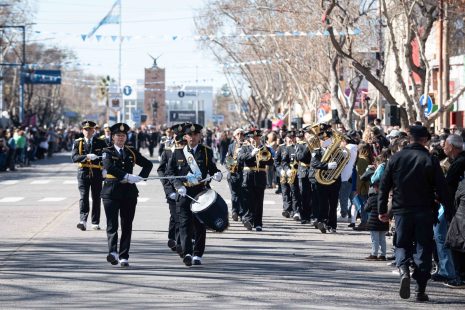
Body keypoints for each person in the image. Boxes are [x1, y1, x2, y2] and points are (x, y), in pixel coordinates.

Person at [378, 125, 452, 302]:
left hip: (402, 209)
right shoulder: (430, 159)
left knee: (402, 243)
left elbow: (384, 186)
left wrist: (382, 210)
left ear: (410, 138)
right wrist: (449, 209)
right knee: (423, 248)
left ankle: (403, 270)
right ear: (425, 140)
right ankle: (420, 290)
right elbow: (442, 188)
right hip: (424, 210)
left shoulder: (395, 158)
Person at [165, 123, 222, 267]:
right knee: (184, 224)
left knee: (200, 224)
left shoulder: (206, 152)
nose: (193, 138)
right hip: (184, 193)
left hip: (200, 192)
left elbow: (213, 169)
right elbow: (170, 173)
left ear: (200, 136)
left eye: (196, 135)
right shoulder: (177, 152)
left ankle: (197, 254)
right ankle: (187, 253)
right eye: (190, 135)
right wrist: (178, 186)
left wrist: (217, 174)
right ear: (185, 136)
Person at [101, 123, 153, 267]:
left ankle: (124, 255)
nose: (121, 138)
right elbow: (109, 166)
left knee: (127, 225)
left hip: (129, 193)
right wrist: (127, 175)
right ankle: (112, 252)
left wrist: (141, 177)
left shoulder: (131, 151)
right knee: (112, 224)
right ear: (113, 137)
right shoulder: (107, 151)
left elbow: (148, 164)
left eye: (123, 136)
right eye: (118, 135)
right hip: (111, 192)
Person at [71, 121, 107, 231]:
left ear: (93, 130)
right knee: (83, 197)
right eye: (85, 129)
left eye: (89, 129)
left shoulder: (101, 142)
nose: (87, 131)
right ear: (82, 131)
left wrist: (105, 169)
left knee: (96, 197)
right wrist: (86, 156)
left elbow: (106, 157)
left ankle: (95, 222)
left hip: (96, 173)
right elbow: (74, 157)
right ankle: (83, 220)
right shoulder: (78, 142)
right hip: (83, 172)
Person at [157, 124, 186, 254]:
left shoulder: (188, 150)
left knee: (183, 217)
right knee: (175, 215)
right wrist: (168, 190)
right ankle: (174, 238)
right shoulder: (168, 150)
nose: (180, 141)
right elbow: (161, 170)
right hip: (172, 189)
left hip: (187, 189)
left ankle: (181, 242)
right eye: (176, 136)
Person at [237, 129, 274, 231]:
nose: (254, 140)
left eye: (257, 138)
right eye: (252, 138)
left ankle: (258, 223)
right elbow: (240, 158)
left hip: (260, 176)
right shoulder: (244, 148)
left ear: (260, 138)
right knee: (248, 200)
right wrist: (251, 154)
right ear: (249, 138)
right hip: (248, 176)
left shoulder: (266, 148)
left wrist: (264, 157)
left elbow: (271, 162)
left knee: (259, 201)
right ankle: (248, 220)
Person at [226, 128, 245, 221]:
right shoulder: (231, 146)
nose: (240, 136)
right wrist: (230, 167)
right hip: (233, 173)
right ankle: (234, 211)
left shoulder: (246, 146)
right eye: (238, 134)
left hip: (242, 173)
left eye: (242, 134)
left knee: (242, 194)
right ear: (235, 136)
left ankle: (241, 213)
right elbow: (228, 158)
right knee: (234, 193)